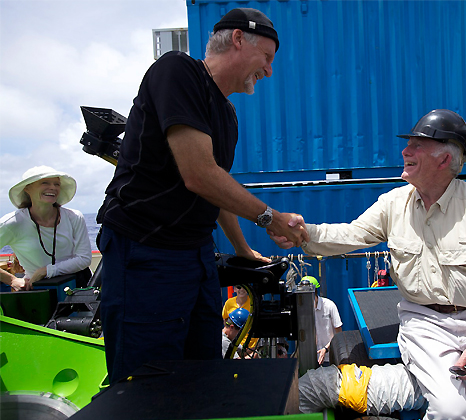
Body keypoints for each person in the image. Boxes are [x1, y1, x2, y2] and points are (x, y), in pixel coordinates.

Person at [272, 110, 466, 419]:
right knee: (449, 410)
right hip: (425, 322)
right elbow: (351, 234)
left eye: (416, 145)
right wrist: (304, 235)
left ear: (444, 160)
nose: (405, 152)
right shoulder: (394, 204)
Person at [96, 8, 308, 384]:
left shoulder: (227, 114)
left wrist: (242, 249)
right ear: (239, 39)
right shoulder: (178, 71)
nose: (269, 71)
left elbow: (218, 185)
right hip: (146, 251)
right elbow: (199, 175)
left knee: (202, 375)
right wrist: (271, 218)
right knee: (147, 384)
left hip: (195, 256)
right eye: (267, 58)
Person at [0, 166, 91, 292]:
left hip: (79, 285)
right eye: (45, 183)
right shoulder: (12, 223)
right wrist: (12, 280)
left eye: (57, 184)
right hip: (37, 289)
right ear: (27, 188)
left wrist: (46, 271)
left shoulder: (74, 217)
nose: (53, 187)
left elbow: (84, 258)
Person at [303, 276, 342, 365]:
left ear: (313, 293)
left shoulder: (329, 306)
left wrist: (326, 349)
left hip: (330, 358)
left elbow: (339, 334)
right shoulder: (303, 310)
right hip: (310, 359)